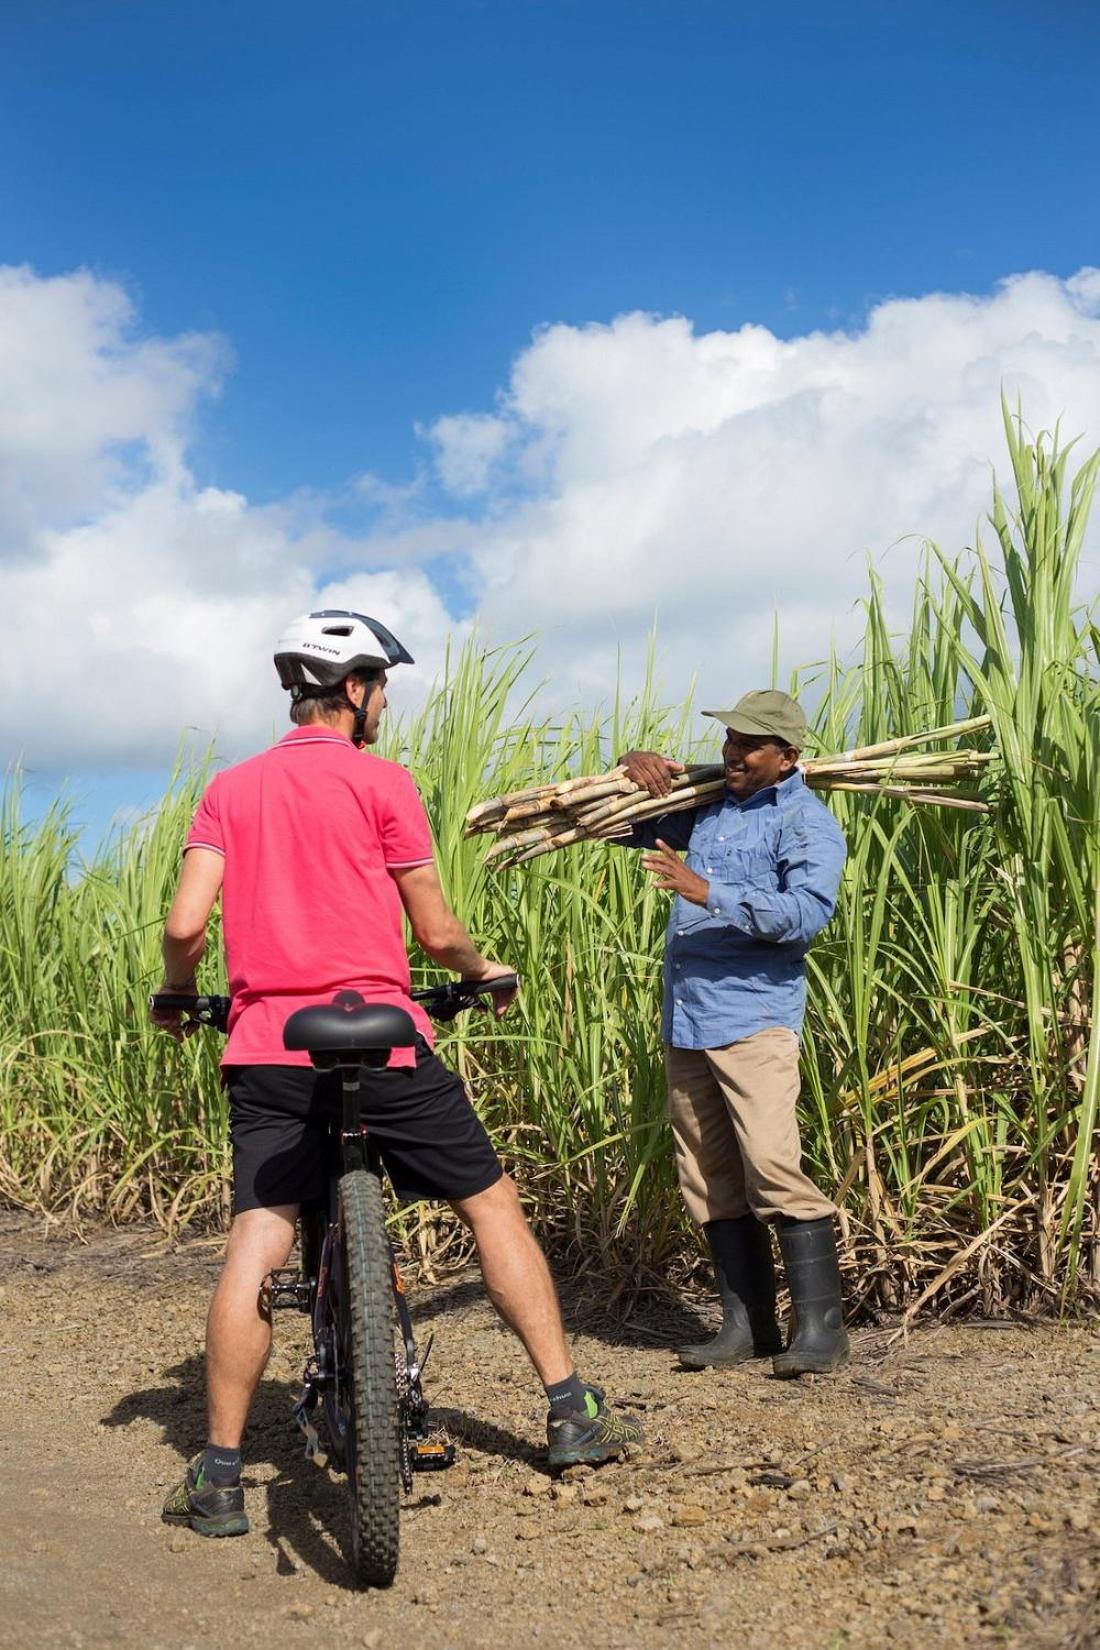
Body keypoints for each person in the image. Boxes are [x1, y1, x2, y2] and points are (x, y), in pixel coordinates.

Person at [152, 609, 642, 1538]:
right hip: (384, 1038)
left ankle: (219, 1476)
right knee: (489, 1203)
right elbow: (438, 930)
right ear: (354, 690)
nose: (384, 705)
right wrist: (479, 971)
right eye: (381, 687)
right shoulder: (383, 783)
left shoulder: (229, 790)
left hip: (269, 1044)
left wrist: (180, 994)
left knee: (260, 1234)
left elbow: (185, 928)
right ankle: (571, 1410)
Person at [616, 689, 850, 1378]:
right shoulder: (711, 806)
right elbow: (615, 825)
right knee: (709, 1177)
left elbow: (805, 916)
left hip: (753, 1022)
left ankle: (822, 1331)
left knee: (773, 1168)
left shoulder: (805, 823)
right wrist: (629, 769)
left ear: (787, 757)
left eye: (750, 745)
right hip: (689, 1020)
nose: (733, 753)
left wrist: (705, 892)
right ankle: (748, 1329)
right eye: (730, 740)